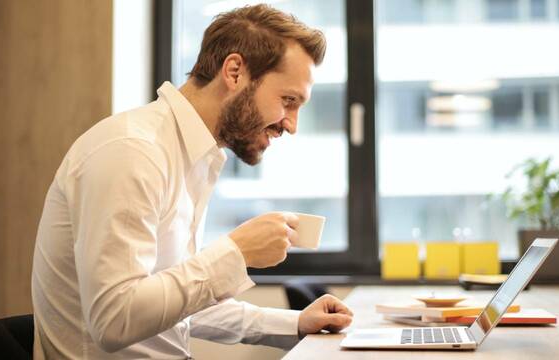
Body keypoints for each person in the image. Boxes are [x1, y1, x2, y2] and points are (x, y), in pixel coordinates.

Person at [31, 4, 353, 359]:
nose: (291, 124)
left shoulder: (194, 156)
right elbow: (114, 320)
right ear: (234, 72)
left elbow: (173, 305)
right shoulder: (133, 152)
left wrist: (293, 324)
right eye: (288, 101)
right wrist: (235, 252)